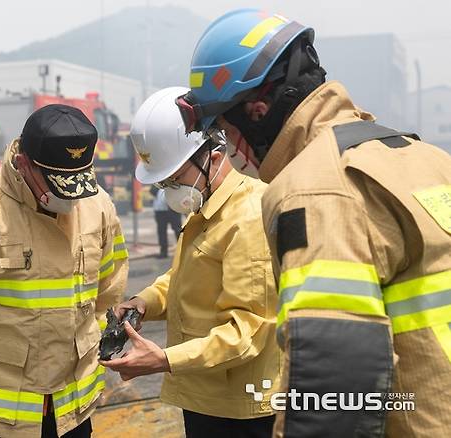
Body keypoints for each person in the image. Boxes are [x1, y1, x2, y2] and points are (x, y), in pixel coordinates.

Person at [177, 9, 451, 436]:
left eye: (225, 131)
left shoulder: (314, 190)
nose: (230, 149)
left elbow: (337, 386)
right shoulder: (427, 158)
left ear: (257, 110)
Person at [0, 104, 129, 438]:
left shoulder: (98, 205)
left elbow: (109, 289)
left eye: (78, 183)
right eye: (59, 185)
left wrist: (97, 348)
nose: (70, 199)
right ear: (23, 164)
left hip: (74, 409)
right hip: (2, 419)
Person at [101, 87, 280, 438]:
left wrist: (164, 359)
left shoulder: (246, 218)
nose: (169, 189)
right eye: (163, 182)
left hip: (242, 410)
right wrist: (144, 303)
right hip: (206, 397)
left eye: (174, 177)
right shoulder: (206, 205)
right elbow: (182, 277)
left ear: (213, 155)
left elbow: (249, 330)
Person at [150, 185, 182, 258]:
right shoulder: (156, 181)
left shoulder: (172, 178)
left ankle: (182, 251)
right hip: (160, 210)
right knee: (161, 231)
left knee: (178, 230)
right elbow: (152, 191)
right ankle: (163, 252)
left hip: (173, 209)